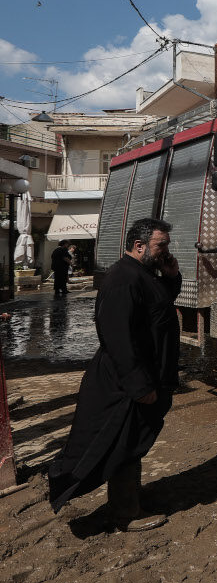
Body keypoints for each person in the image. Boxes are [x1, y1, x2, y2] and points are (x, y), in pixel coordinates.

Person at [48, 218, 181, 531]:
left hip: (144, 377)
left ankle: (130, 500)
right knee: (124, 444)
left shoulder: (144, 274)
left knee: (133, 442)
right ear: (139, 246)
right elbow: (118, 338)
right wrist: (139, 385)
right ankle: (125, 513)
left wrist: (172, 276)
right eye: (161, 245)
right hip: (124, 384)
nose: (166, 251)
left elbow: (160, 308)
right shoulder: (123, 279)